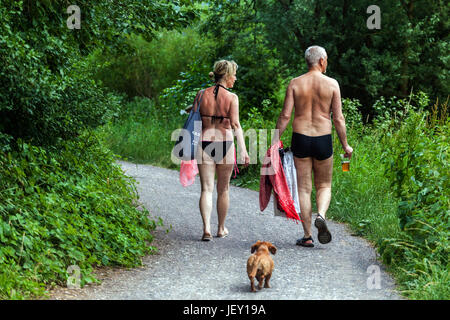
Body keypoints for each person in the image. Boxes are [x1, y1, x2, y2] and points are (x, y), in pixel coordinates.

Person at [272, 46, 353, 247]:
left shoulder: (295, 83)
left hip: (300, 138)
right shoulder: (332, 84)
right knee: (324, 185)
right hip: (323, 139)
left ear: (308, 61)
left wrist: (274, 140)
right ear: (322, 61)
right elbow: (339, 119)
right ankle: (322, 216)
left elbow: (284, 116)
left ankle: (307, 236)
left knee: (304, 189)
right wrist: (345, 145)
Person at [195, 60, 250, 241]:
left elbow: (194, 117)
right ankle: (220, 228)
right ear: (227, 76)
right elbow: (235, 124)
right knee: (223, 189)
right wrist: (243, 150)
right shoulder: (232, 98)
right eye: (234, 75)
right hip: (225, 144)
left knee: (206, 189)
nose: (235, 79)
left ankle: (206, 229)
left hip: (204, 143)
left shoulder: (201, 94)